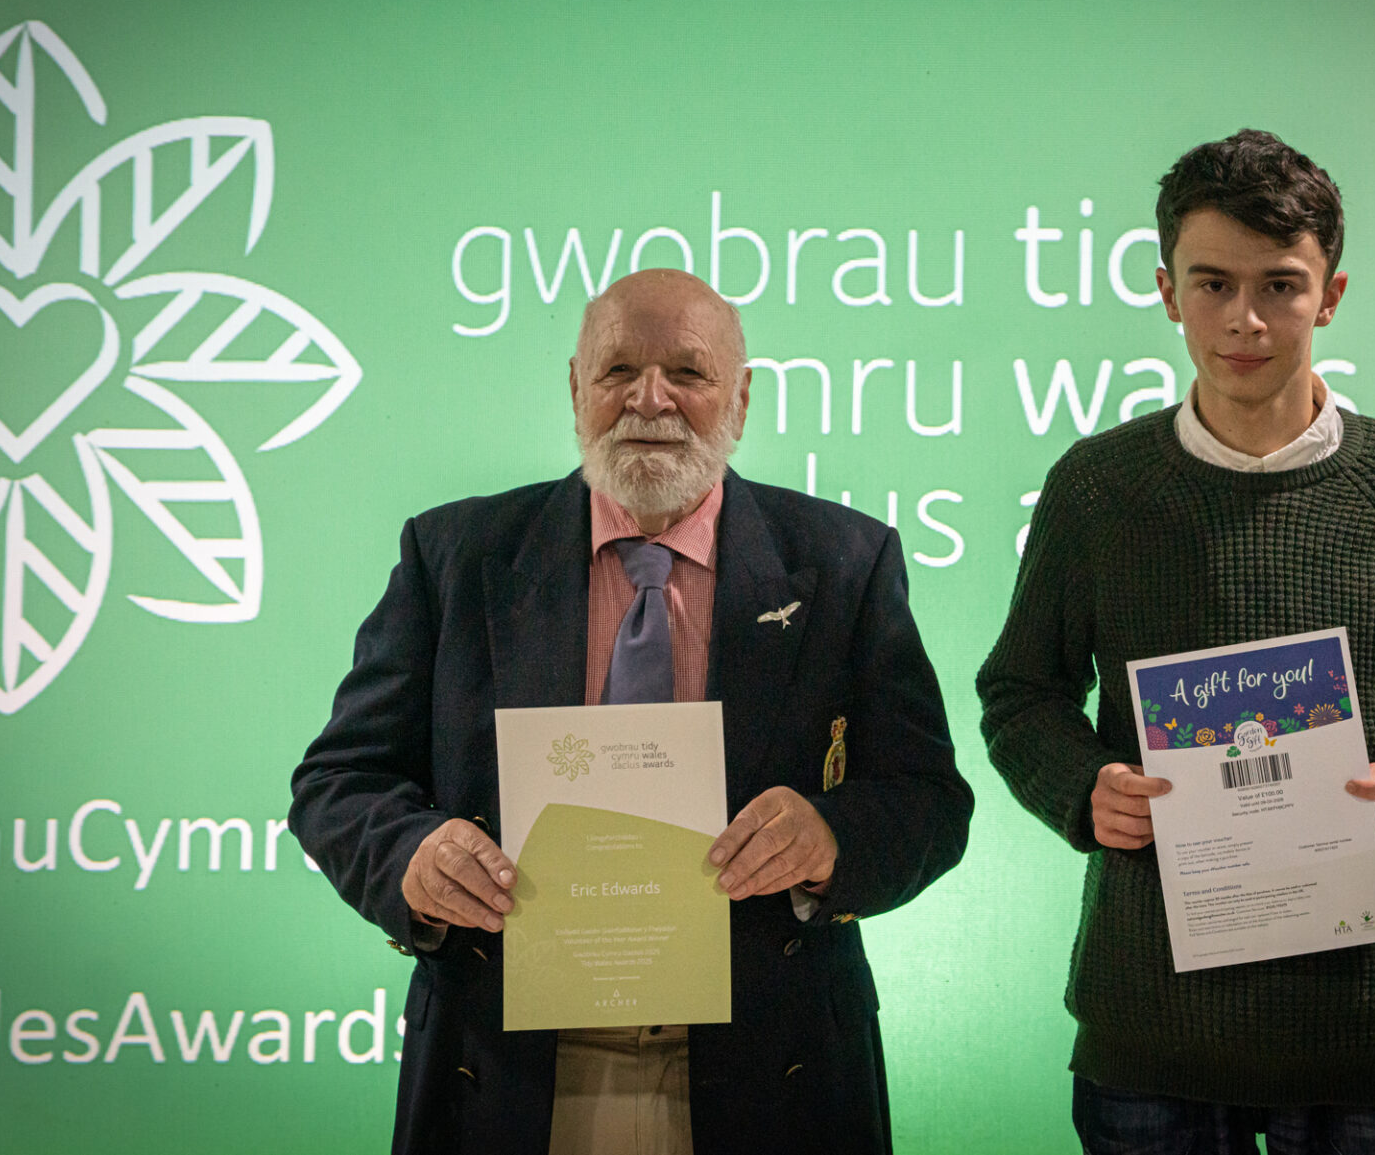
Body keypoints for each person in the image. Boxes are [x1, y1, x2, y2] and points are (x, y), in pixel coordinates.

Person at [291, 268, 971, 1155]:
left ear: (742, 397)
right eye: (617, 371)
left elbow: (930, 799)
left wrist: (832, 839)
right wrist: (410, 855)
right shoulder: (454, 555)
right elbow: (337, 783)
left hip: (773, 1076)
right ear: (576, 388)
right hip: (510, 1077)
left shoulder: (845, 562)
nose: (650, 399)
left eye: (687, 372)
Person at [978, 130, 1375, 1155]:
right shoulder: (1096, 491)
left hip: (1373, 1035)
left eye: (1280, 284)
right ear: (1165, 290)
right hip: (1154, 1038)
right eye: (1213, 283)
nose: (1245, 319)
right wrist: (1080, 783)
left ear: (1332, 294)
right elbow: (1020, 693)